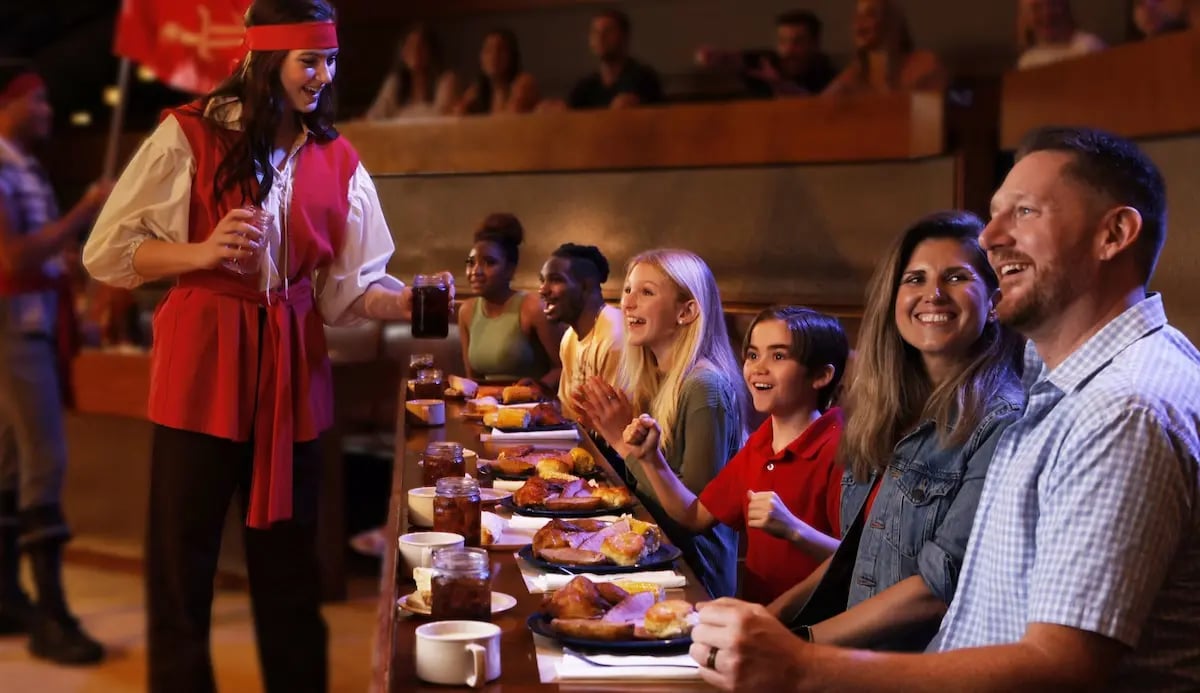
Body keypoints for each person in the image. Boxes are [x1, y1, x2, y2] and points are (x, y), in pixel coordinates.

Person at [686, 127, 1200, 692]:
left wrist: (800, 663)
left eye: (1024, 212)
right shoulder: (1061, 387)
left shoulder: (1122, 409)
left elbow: (1063, 665)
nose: (991, 236)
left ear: (1115, 233)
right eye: (994, 214)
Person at [83, 1, 450, 690]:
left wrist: (402, 300)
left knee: (291, 564)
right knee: (182, 561)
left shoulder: (337, 159)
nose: (322, 75)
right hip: (203, 362)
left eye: (330, 60)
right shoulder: (189, 135)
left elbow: (347, 291)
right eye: (308, 60)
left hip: (291, 370)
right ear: (264, 61)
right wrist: (200, 251)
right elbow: (109, 253)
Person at [769, 212, 1024, 652]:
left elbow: (936, 588)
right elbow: (853, 555)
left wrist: (799, 647)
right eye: (915, 279)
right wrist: (769, 617)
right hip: (850, 662)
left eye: (957, 276)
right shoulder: (880, 410)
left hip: (918, 670)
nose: (933, 294)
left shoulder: (1002, 420)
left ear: (993, 301)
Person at [622, 306, 848, 604]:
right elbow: (694, 515)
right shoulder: (760, 443)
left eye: (778, 356)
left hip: (813, 630)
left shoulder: (841, 450)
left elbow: (862, 561)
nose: (758, 368)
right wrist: (651, 459)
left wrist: (793, 529)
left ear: (821, 375)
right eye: (753, 355)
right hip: (759, 618)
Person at [0, 63, 110, 665]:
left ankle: (6, 595)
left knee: (12, 460)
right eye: (37, 100)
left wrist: (58, 257)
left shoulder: (22, 167)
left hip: (29, 324)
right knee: (45, 460)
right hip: (15, 329)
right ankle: (51, 614)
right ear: (8, 102)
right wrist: (84, 210)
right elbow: (12, 255)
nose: (47, 110)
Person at [576, 249, 747, 598]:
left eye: (646, 292)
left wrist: (624, 446)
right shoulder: (653, 378)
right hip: (649, 557)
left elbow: (691, 517)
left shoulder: (704, 387)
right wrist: (601, 435)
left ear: (686, 311)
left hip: (694, 580)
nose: (628, 303)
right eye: (627, 290)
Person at [458, 213, 562, 390]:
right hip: (487, 408)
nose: (475, 271)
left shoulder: (533, 307)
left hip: (533, 408)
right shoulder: (466, 311)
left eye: (489, 263)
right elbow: (473, 380)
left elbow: (564, 367)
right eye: (471, 262)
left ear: (510, 269)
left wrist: (539, 386)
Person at [538, 243, 623, 420]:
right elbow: (568, 414)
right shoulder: (569, 338)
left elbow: (618, 426)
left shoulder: (615, 336)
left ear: (585, 286)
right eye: (543, 280)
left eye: (555, 280)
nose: (543, 290)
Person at [694, 10, 837, 98]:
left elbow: (819, 107)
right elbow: (732, 59)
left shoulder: (826, 74)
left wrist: (782, 86)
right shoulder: (766, 63)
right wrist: (713, 57)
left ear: (815, 44)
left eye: (797, 42)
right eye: (782, 41)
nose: (788, 50)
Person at [823, 0, 946, 96]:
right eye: (857, 16)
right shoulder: (852, 76)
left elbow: (933, 118)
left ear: (891, 21)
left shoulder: (925, 65)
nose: (859, 24)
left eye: (870, 15)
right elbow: (818, 109)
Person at [567, 9, 664, 110]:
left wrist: (636, 107)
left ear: (624, 37)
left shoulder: (644, 78)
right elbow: (569, 113)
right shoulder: (585, 87)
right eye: (595, 32)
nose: (600, 37)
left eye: (608, 31)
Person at [363, 24, 458, 119]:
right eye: (409, 45)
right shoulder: (395, 81)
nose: (415, 51)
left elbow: (441, 116)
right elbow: (376, 114)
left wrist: (398, 117)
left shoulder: (445, 80)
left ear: (432, 51)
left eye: (420, 46)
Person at [453, 29, 539, 115]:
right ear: (481, 58)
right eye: (488, 50)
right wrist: (465, 105)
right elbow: (457, 114)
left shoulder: (523, 82)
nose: (494, 56)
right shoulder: (478, 90)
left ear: (512, 56)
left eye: (501, 50)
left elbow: (511, 117)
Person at [1016, 0, 1105, 70]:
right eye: (1036, 8)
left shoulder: (1089, 46)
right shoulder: (1027, 62)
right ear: (1026, 17)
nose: (1046, 14)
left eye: (1053, 4)